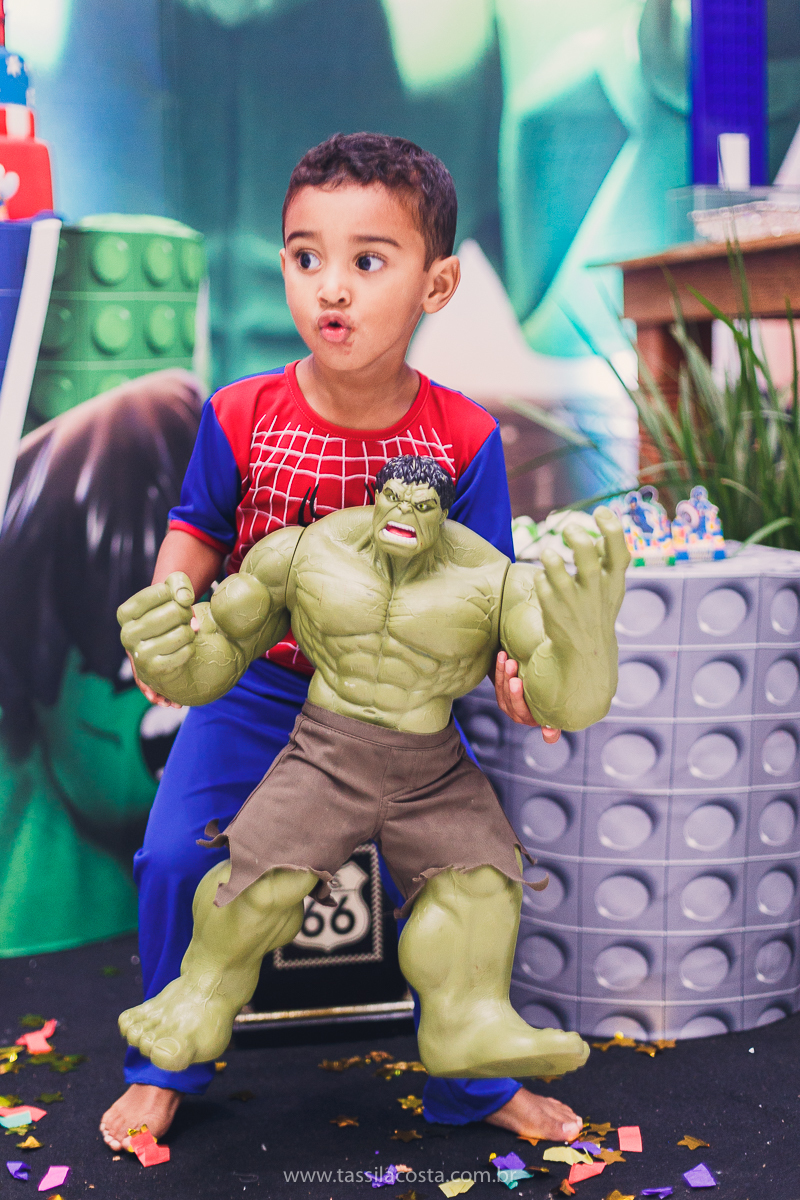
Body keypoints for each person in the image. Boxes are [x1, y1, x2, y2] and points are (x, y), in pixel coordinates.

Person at [100, 132, 585, 1150]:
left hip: (402, 716)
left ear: (436, 284)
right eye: (304, 256)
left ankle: (473, 1082)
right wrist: (168, 615)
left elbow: (496, 595)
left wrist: (520, 677)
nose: (331, 286)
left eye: (367, 260)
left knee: (472, 880)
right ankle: (167, 1064)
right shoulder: (241, 414)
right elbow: (195, 530)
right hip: (258, 692)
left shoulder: (464, 436)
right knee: (173, 859)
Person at [117, 454, 626, 1080]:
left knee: (483, 881)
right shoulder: (305, 552)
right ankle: (200, 994)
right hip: (328, 751)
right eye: (395, 498)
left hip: (430, 765)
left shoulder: (493, 581)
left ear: (443, 514)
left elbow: (560, 703)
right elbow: (223, 651)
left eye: (423, 506)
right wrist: (171, 658)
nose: (405, 513)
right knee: (257, 878)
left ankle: (466, 1023)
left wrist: (584, 652)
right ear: (376, 495)